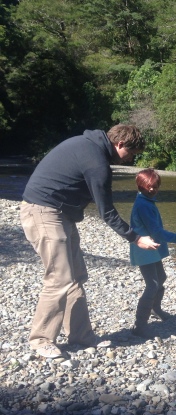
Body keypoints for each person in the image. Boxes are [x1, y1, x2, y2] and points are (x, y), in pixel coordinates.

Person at [20, 124, 160, 359]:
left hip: (58, 212)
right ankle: (41, 339)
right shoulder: (97, 163)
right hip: (43, 211)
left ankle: (81, 335)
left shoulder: (88, 145)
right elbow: (107, 212)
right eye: (132, 154)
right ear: (120, 144)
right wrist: (135, 238)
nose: (130, 159)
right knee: (60, 278)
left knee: (76, 276)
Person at [129, 168, 176, 339]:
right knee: (152, 284)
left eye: (156, 186)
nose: (153, 190)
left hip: (151, 249)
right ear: (140, 185)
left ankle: (155, 309)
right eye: (149, 186)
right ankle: (139, 325)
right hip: (145, 249)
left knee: (161, 278)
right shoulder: (143, 205)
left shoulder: (146, 201)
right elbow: (157, 232)